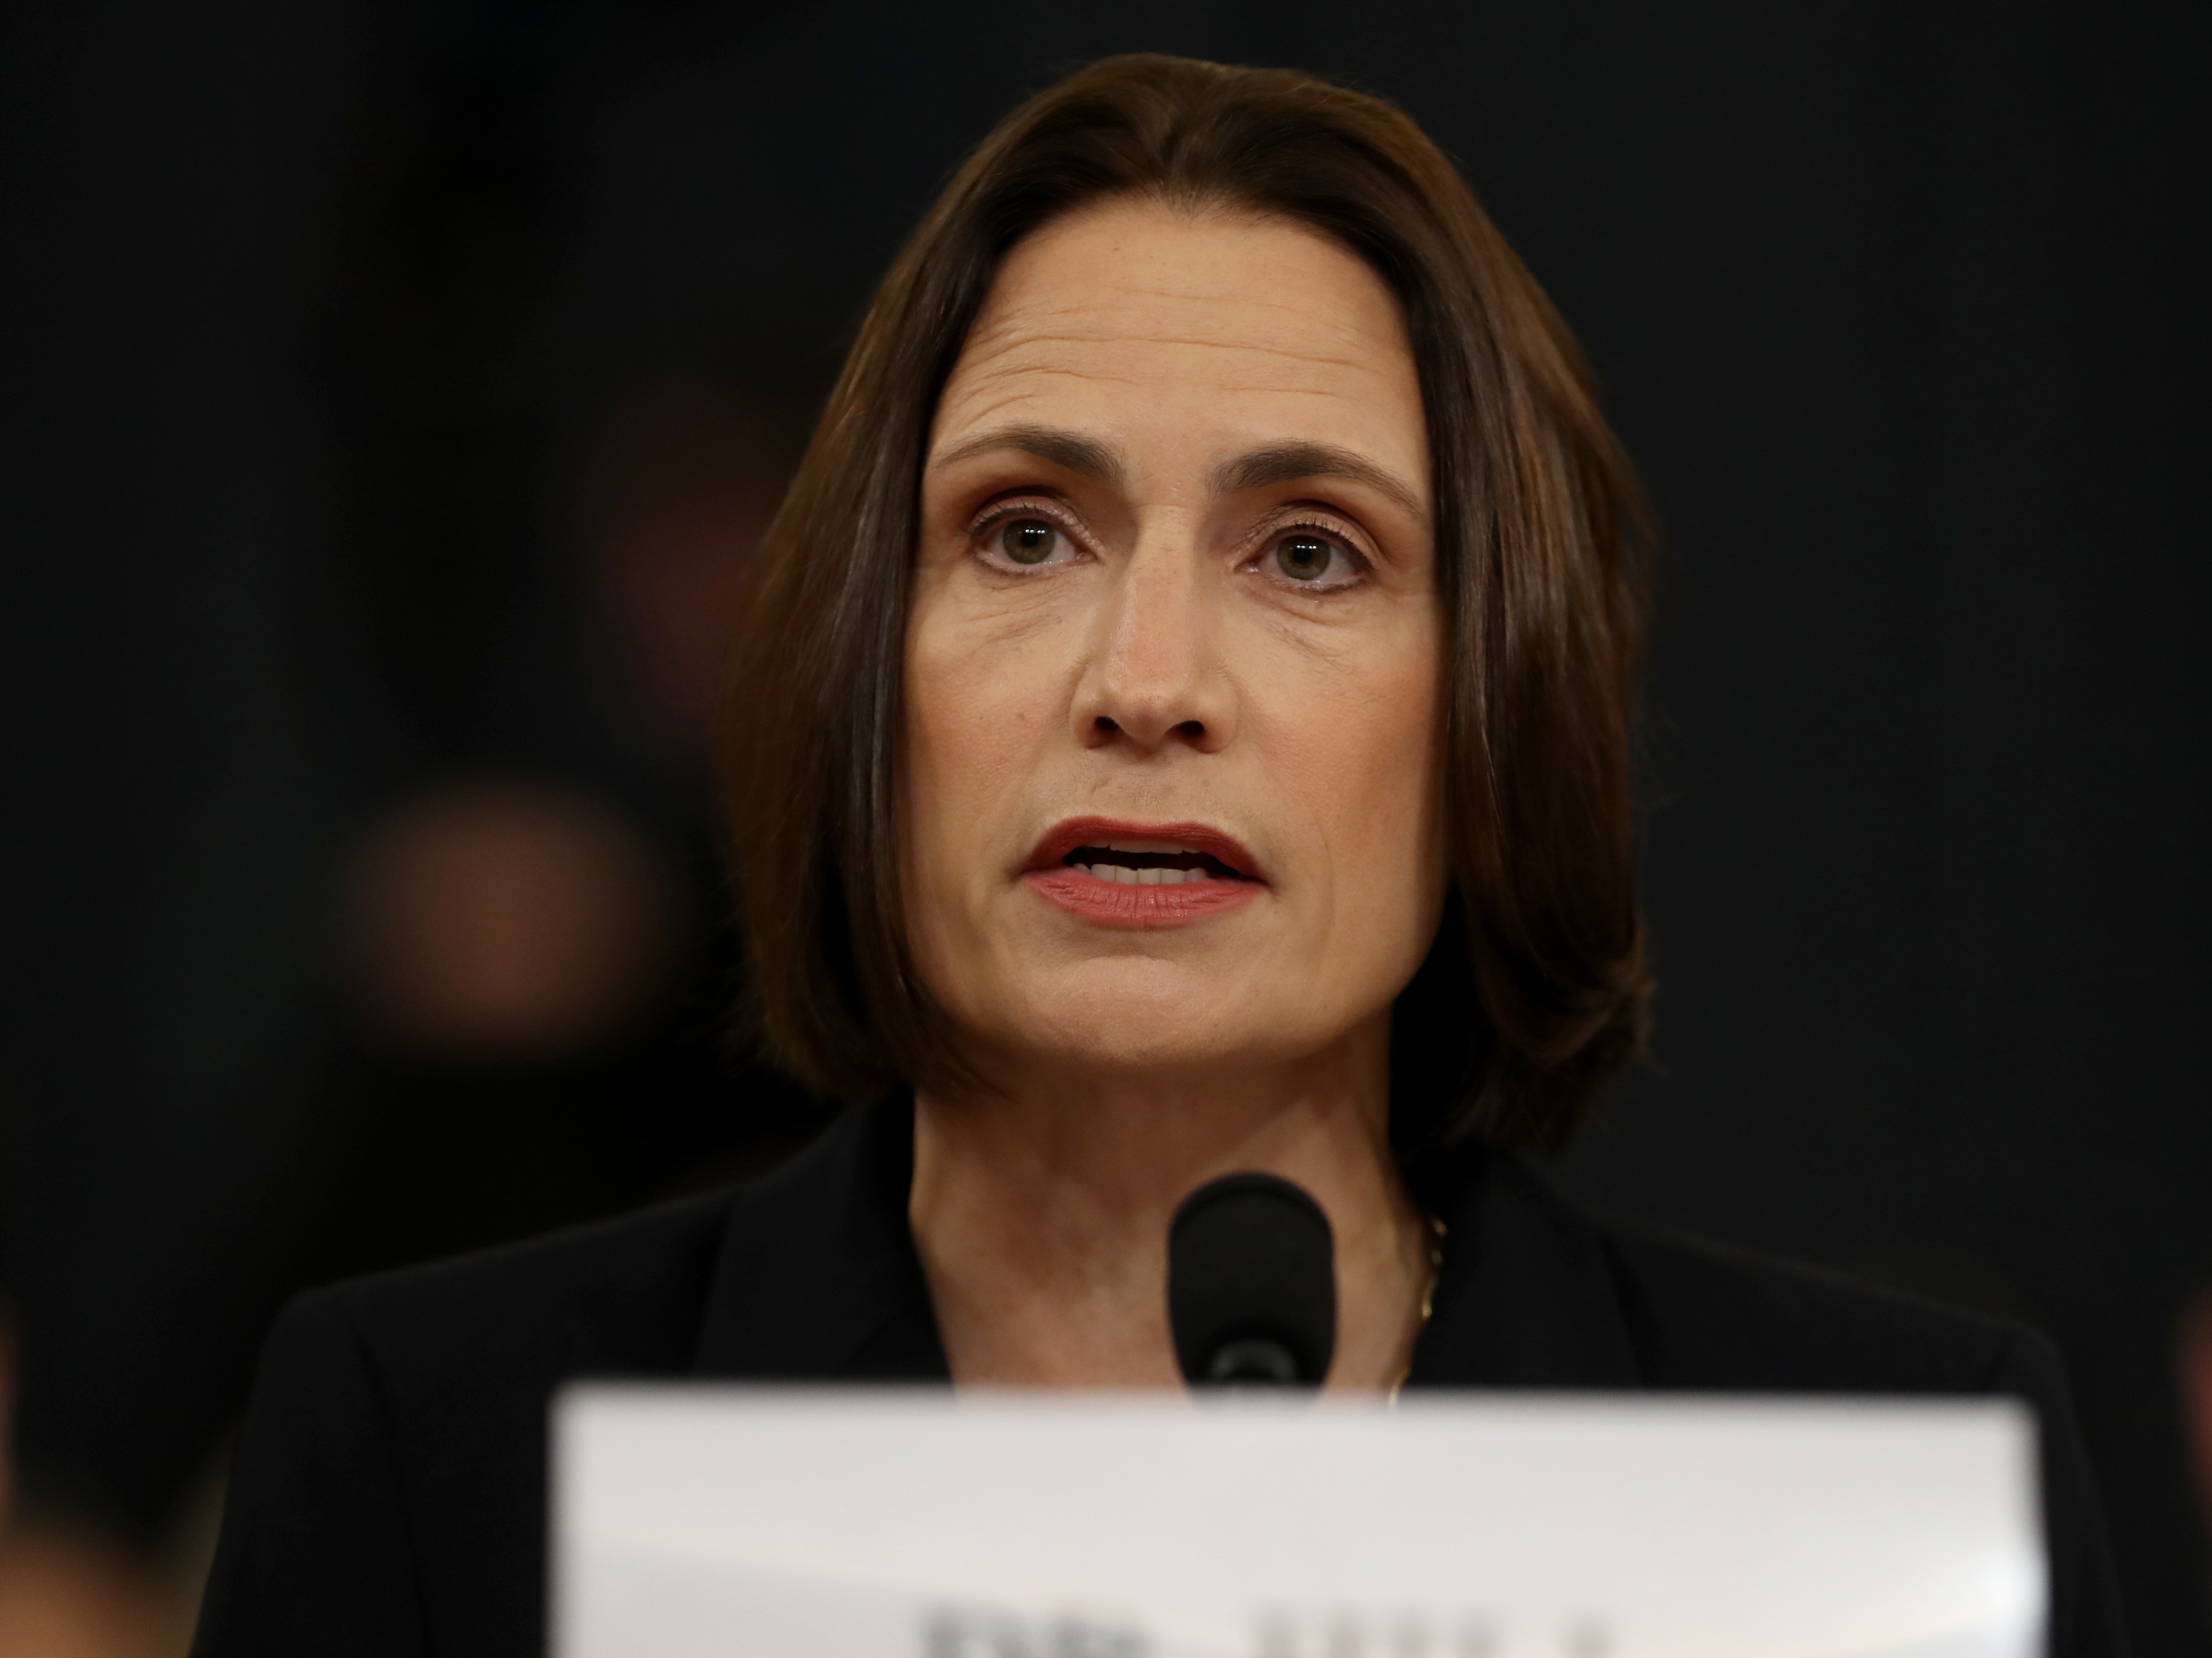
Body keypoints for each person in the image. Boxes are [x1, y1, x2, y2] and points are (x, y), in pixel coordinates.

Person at [190, 54, 2127, 1658]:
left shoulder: (1886, 1500)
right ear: (866, 670)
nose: (1147, 684)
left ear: (1492, 719)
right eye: (1027, 533)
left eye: (1309, 554)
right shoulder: (437, 1457)